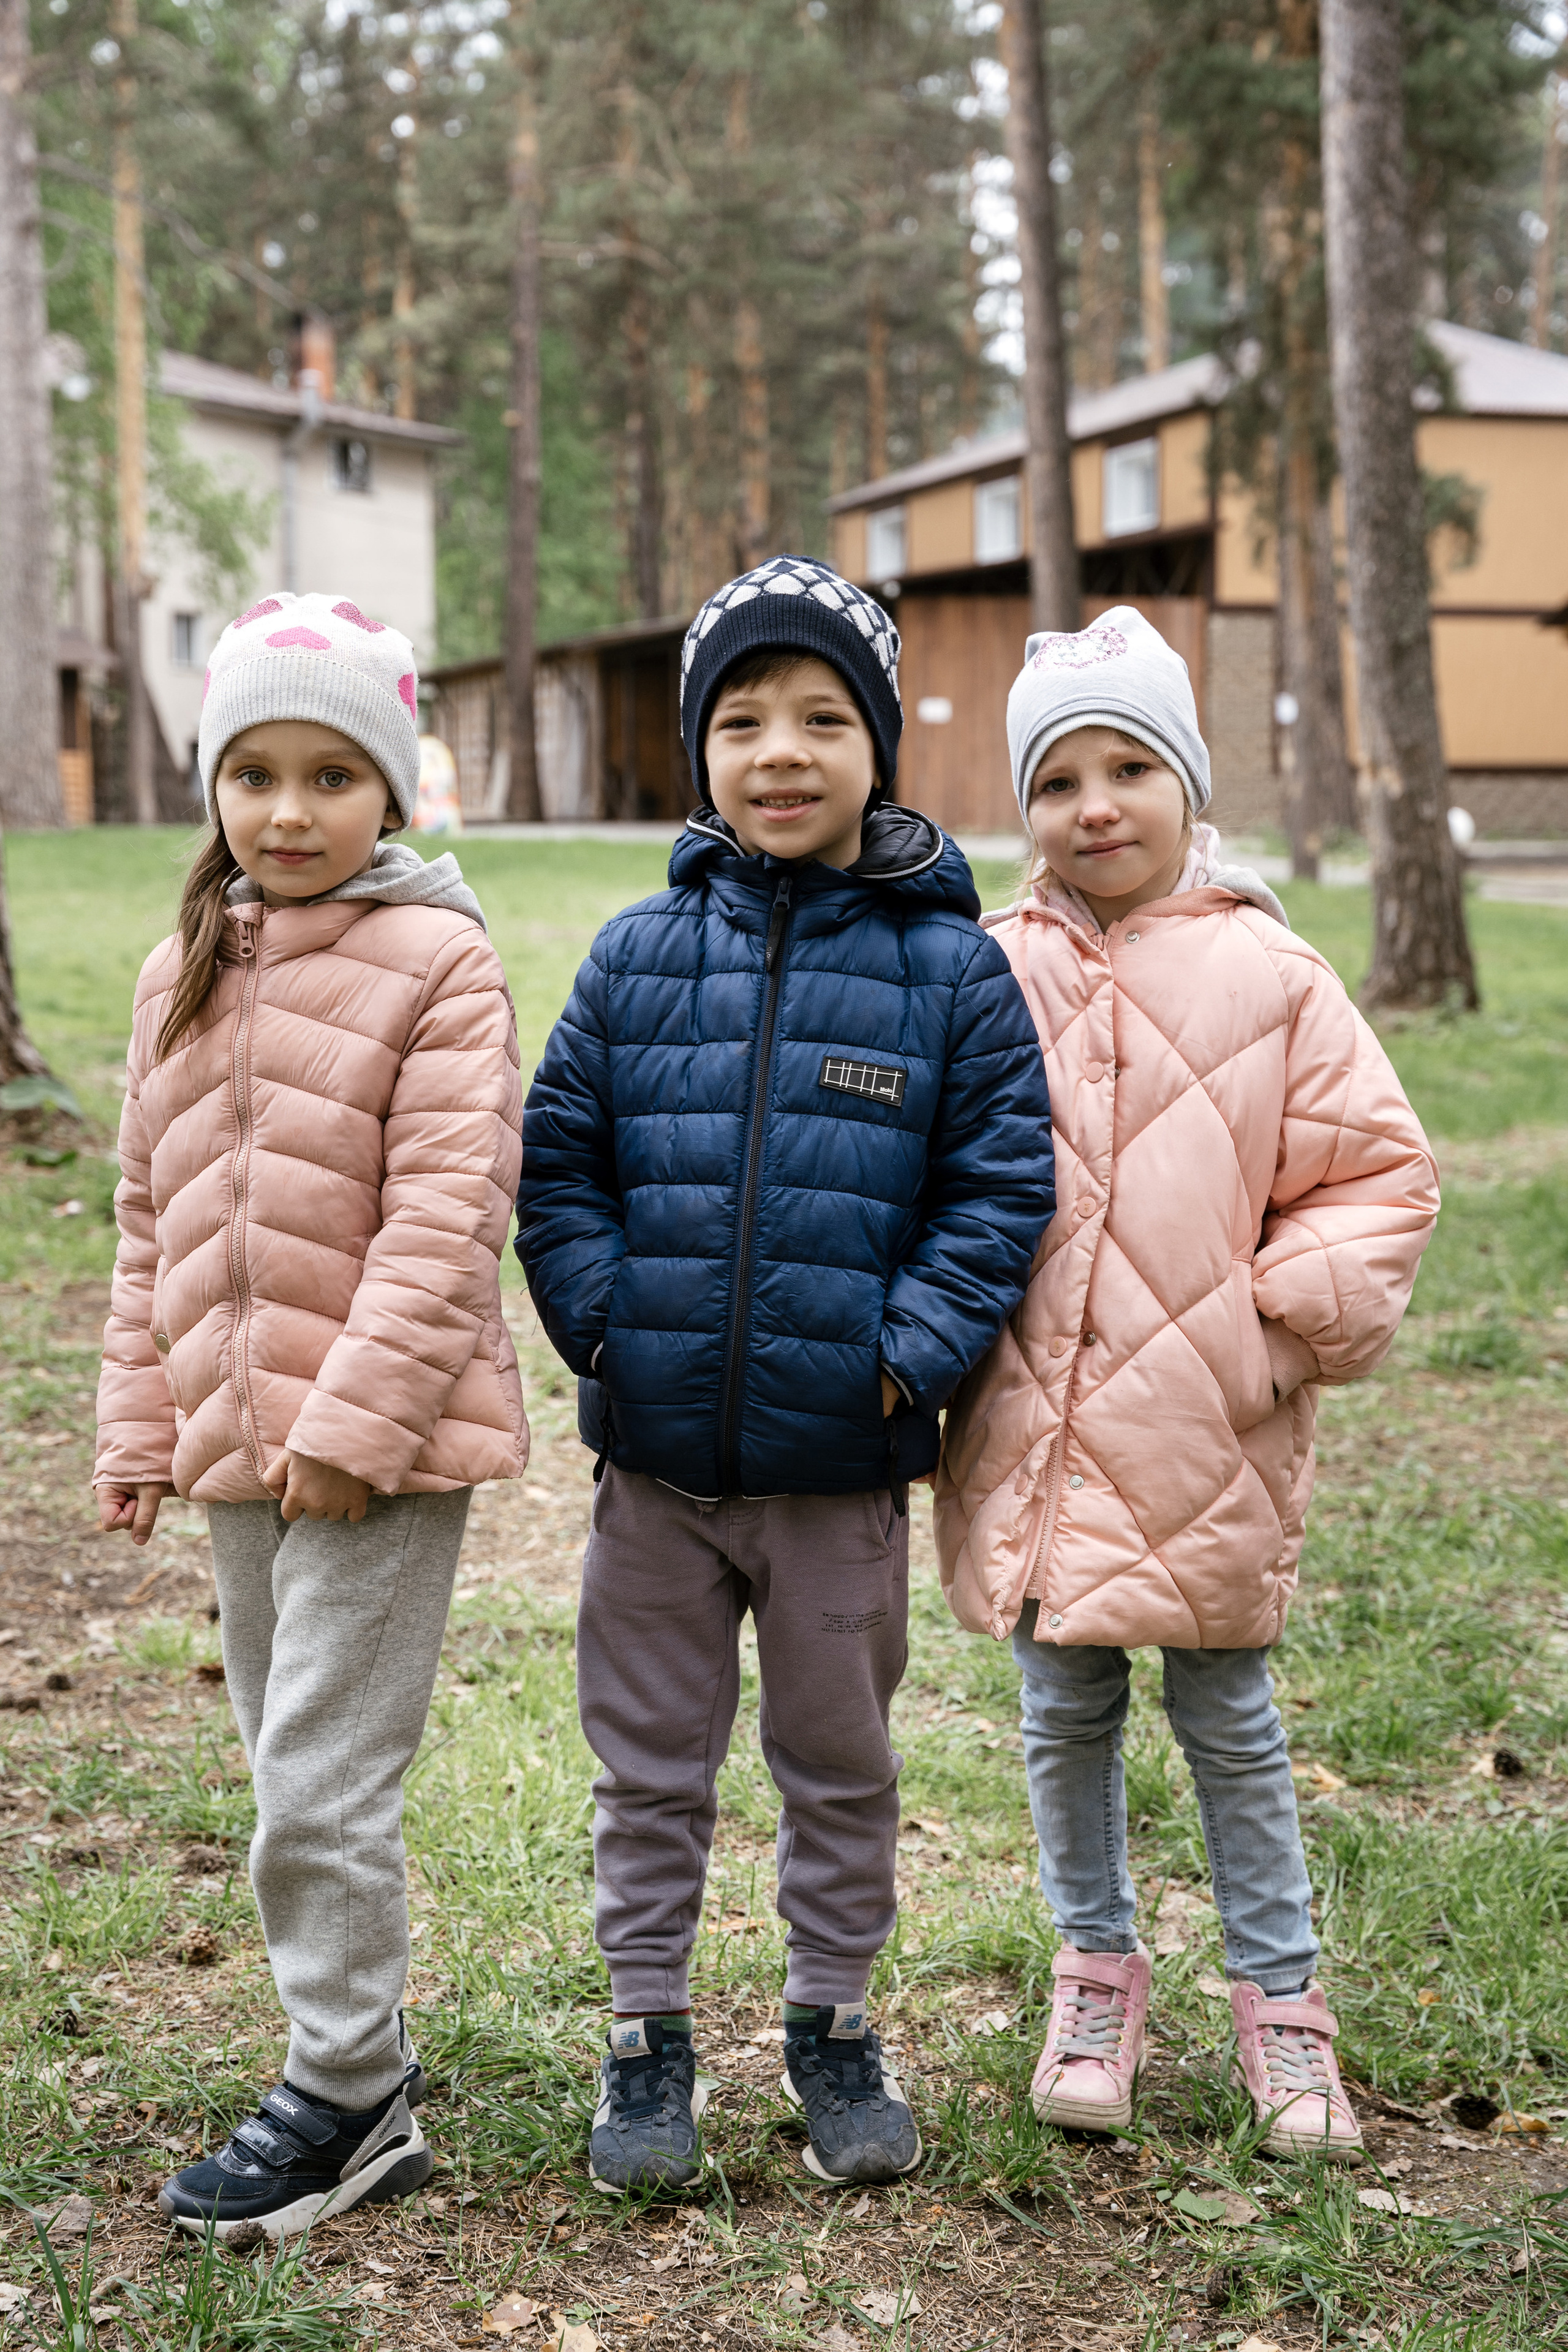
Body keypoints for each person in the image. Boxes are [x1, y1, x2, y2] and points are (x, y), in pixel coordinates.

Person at [517, 555, 1055, 2192]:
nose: (782, 751)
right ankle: (645, 2039)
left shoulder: (952, 974)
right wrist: (607, 1324)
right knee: (650, 1765)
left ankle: (833, 2025)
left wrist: (903, 1362)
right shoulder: (631, 959)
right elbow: (558, 1168)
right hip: (658, 1480)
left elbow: (999, 1188)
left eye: (825, 716)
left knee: (840, 1762)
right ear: (704, 751)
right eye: (742, 719)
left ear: (881, 745)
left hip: (839, 1477)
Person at [935, 606, 1439, 2163]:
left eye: (1128, 767)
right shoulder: (988, 968)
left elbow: (1377, 1177)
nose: (1094, 805)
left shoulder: (1269, 973)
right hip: (1034, 1423)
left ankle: (1281, 2009)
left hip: (1205, 1433)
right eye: (1058, 778)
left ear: (1185, 783)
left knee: (1229, 1719)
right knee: (1059, 1707)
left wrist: (1268, 1333)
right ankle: (1093, 1975)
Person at [94, 591, 529, 2238]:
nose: (287, 811)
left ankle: (349, 2099)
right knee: (286, 1757)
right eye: (254, 773)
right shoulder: (179, 968)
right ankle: (351, 2059)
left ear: (393, 790)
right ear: (214, 788)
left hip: (377, 1453)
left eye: (330, 775)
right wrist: (144, 1419)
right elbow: (153, 1218)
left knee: (319, 1781)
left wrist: (349, 1427)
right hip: (232, 1444)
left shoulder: (442, 962)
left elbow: (445, 1216)